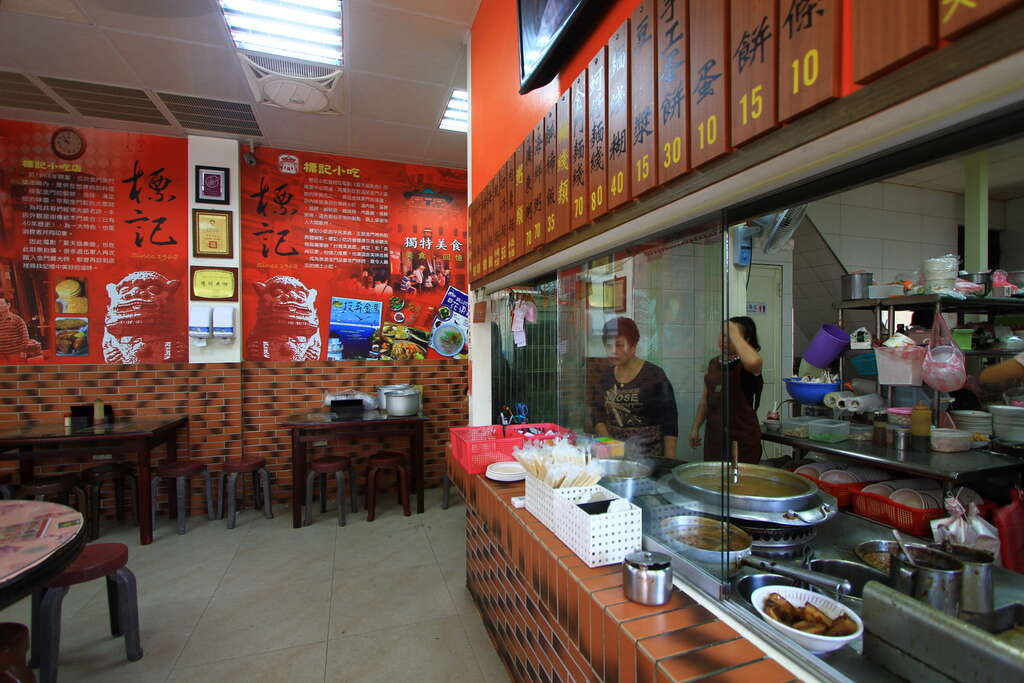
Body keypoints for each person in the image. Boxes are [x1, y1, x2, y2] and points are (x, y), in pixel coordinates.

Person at [593, 317, 678, 459]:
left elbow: (670, 420)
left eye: (619, 345)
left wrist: (670, 459)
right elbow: (597, 415)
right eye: (608, 345)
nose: (613, 351)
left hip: (650, 457)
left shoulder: (654, 375)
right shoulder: (606, 377)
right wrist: (611, 446)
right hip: (616, 457)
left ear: (633, 346)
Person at [690, 316, 764, 464]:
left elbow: (755, 361)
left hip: (741, 440)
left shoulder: (746, 365)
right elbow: (705, 400)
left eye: (730, 336)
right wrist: (695, 427)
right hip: (715, 438)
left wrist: (734, 334)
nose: (724, 340)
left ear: (745, 340)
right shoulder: (713, 363)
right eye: (723, 335)